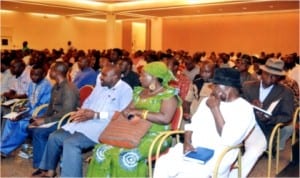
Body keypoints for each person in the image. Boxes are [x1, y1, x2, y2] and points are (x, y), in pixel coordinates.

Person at [32, 65, 133, 177]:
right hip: (85, 120)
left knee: (71, 143)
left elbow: (120, 115)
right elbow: (89, 101)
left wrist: (96, 115)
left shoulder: (126, 90)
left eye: (104, 75)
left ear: (114, 77)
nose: (100, 78)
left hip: (103, 126)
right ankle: (49, 171)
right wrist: (82, 111)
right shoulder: (101, 85)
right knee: (54, 137)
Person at [153, 68, 256, 178]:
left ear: (226, 88)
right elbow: (192, 125)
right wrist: (187, 142)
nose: (212, 90)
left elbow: (229, 139)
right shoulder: (206, 101)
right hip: (194, 149)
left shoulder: (244, 109)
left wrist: (215, 109)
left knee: (189, 174)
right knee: (163, 163)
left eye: (215, 86)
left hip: (218, 155)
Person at [87, 61, 180, 177]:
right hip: (133, 131)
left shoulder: (168, 95)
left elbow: (165, 118)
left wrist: (140, 112)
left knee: (127, 157)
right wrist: (127, 113)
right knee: (101, 151)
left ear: (154, 77)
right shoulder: (140, 92)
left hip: (156, 135)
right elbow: (127, 110)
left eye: (143, 75)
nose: (139, 78)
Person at [235, 58, 294, 178]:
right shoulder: (248, 86)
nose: (271, 78)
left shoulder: (285, 92)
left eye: (275, 76)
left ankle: (235, 175)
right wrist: (250, 104)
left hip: (263, 128)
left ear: (279, 78)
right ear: (262, 73)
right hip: (242, 123)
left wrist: (268, 118)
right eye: (268, 74)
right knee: (224, 142)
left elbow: (287, 116)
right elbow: (237, 103)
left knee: (255, 150)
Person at [28, 61, 80, 170]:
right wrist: (42, 117)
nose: (49, 72)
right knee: (31, 126)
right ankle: (44, 159)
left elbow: (67, 112)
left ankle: (43, 167)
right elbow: (51, 108)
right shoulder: (56, 86)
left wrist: (45, 121)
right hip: (56, 118)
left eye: (51, 70)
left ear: (56, 72)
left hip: (66, 121)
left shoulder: (69, 88)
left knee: (39, 132)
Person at [0, 64, 52, 157]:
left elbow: (43, 106)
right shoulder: (31, 84)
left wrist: (24, 115)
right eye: (32, 74)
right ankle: (2, 145)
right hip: (30, 111)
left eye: (36, 75)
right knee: (10, 120)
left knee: (21, 124)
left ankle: (5, 150)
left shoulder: (46, 86)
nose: (33, 77)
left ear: (43, 74)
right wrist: (20, 111)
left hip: (40, 114)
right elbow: (29, 101)